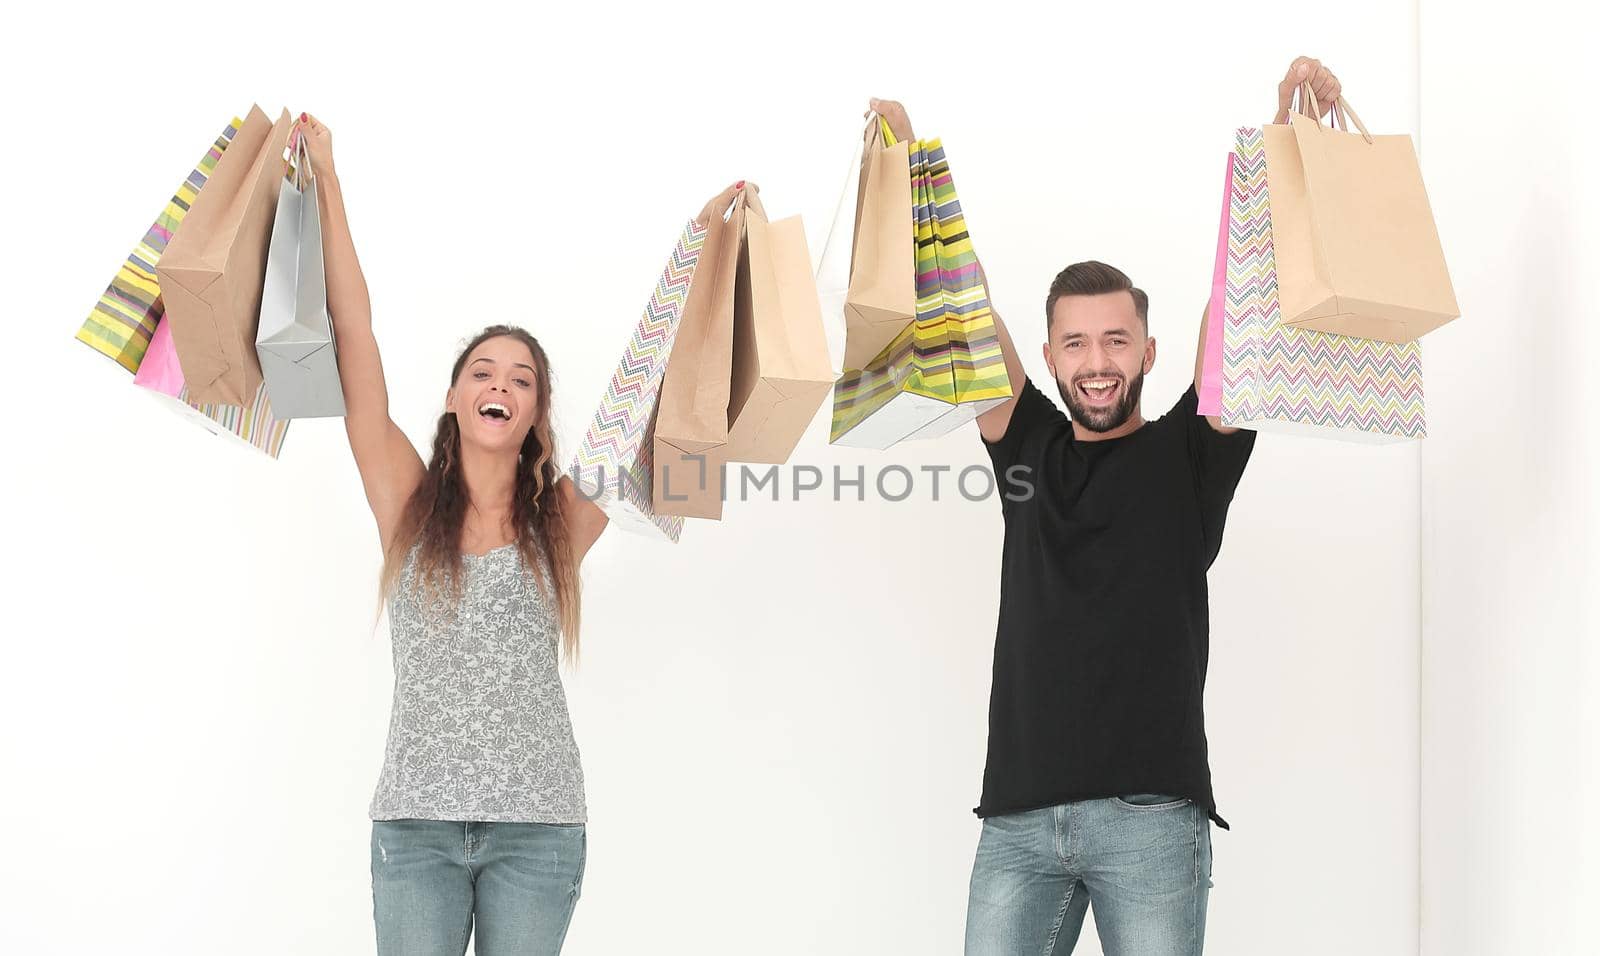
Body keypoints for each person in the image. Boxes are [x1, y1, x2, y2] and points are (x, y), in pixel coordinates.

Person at [872, 55, 1344, 956]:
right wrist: (914, 178)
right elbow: (967, 318)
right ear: (1050, 358)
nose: (1097, 360)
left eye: (1117, 340)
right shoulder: (1028, 451)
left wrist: (1285, 150)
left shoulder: (1190, 457)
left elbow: (1239, 311)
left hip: (1152, 820)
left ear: (1149, 353)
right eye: (1077, 342)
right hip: (1016, 821)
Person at [297, 116, 739, 956]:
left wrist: (701, 254)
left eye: (522, 379)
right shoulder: (406, 505)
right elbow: (354, 338)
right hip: (416, 828)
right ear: (457, 400)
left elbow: (638, 397)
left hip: (538, 831)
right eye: (483, 372)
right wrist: (328, 184)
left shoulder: (560, 527)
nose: (501, 384)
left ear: (535, 415)